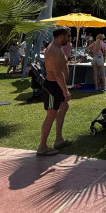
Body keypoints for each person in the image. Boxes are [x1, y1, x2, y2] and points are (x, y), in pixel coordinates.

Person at [37, 27, 72, 156]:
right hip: (53, 86)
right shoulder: (54, 50)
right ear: (61, 36)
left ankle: (58, 140)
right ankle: (42, 147)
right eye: (68, 36)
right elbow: (57, 74)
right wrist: (65, 91)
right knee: (51, 114)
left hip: (57, 86)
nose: (69, 39)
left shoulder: (58, 47)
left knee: (64, 107)